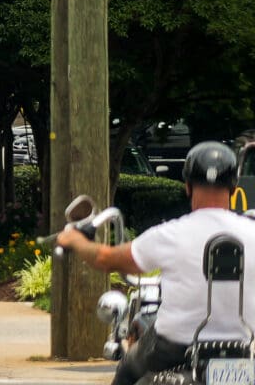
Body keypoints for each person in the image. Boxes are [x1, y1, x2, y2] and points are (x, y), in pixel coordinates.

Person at [57, 141, 255, 385]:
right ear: (234, 187)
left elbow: (104, 259)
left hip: (174, 347)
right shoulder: (252, 232)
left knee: (128, 368)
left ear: (188, 186)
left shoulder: (171, 234)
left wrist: (75, 240)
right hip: (241, 349)